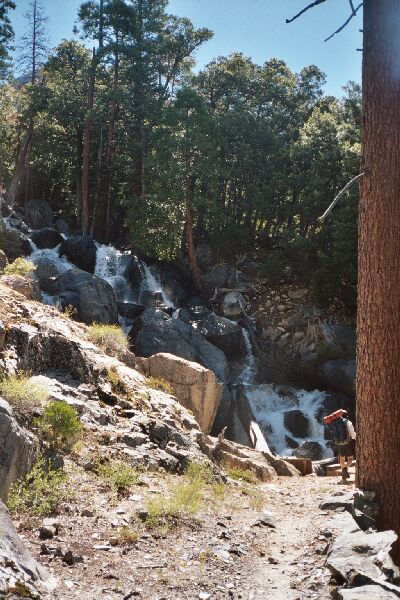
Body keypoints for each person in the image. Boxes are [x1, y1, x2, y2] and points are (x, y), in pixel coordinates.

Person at [324, 409, 356, 480]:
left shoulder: (335, 422)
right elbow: (352, 434)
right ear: (346, 416)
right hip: (347, 443)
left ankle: (344, 472)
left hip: (339, 443)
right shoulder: (348, 422)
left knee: (342, 458)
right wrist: (355, 438)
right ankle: (345, 469)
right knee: (350, 458)